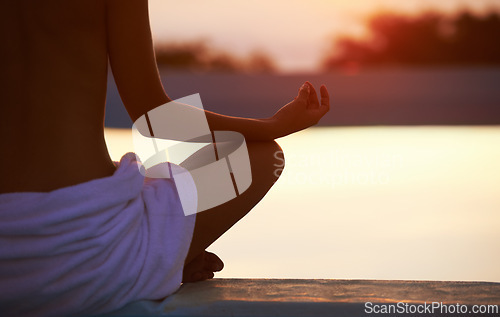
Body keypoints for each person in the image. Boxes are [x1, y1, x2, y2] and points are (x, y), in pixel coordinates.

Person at [0, 0, 330, 316]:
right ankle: (167, 257)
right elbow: (156, 117)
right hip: (96, 254)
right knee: (262, 155)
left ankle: (169, 253)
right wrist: (274, 125)